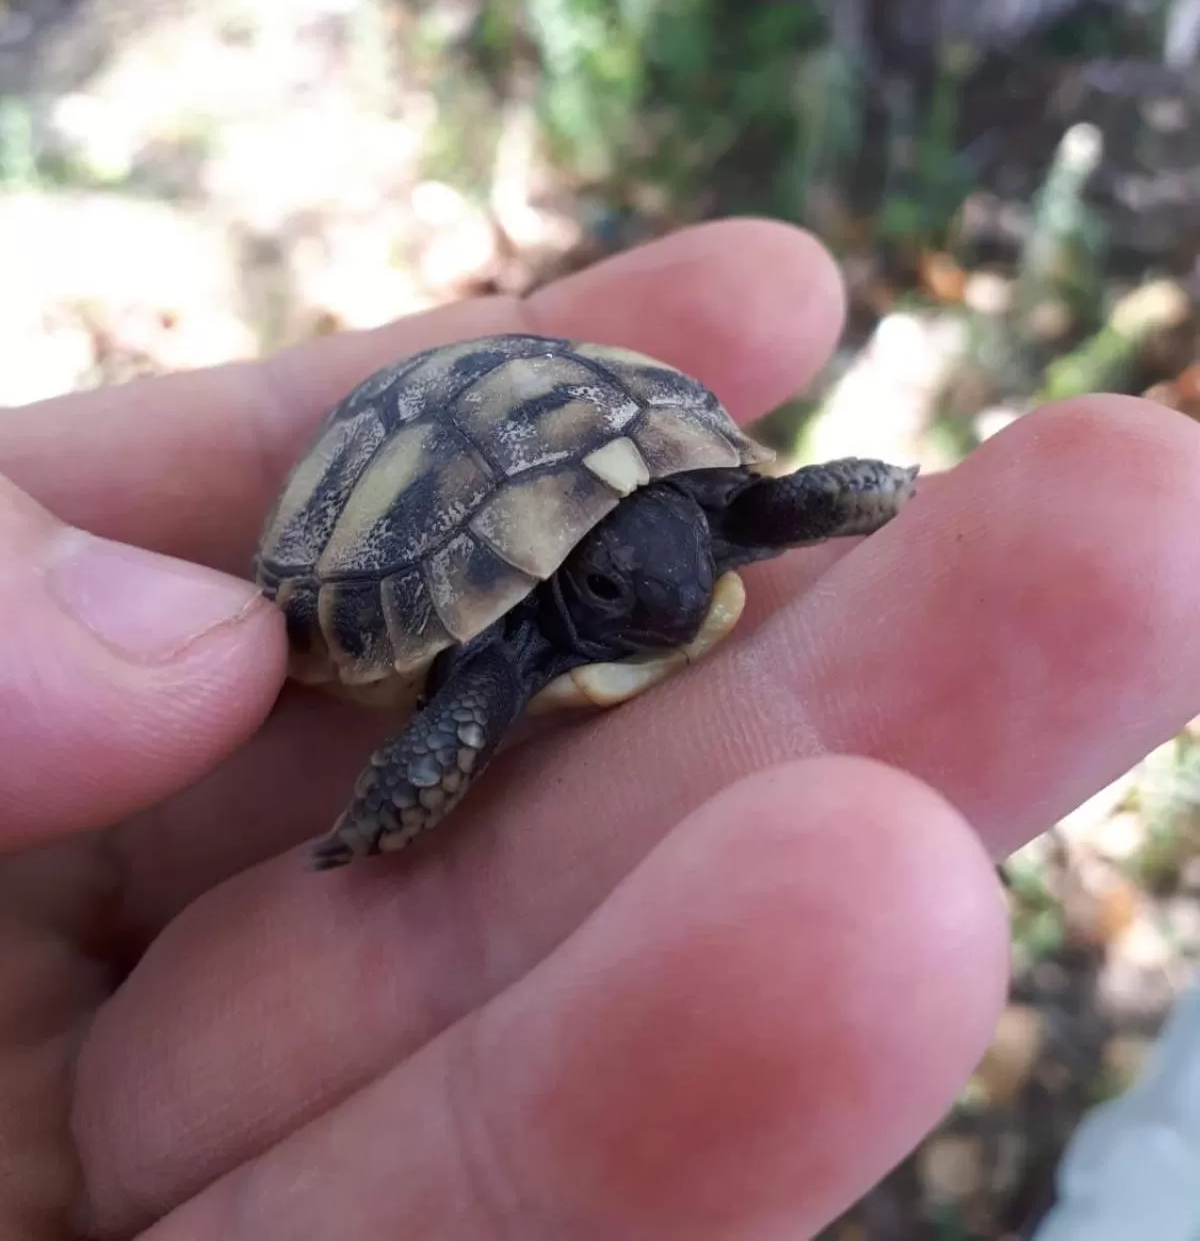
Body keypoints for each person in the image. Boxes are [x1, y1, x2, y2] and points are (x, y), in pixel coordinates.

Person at [0, 217, 1196, 1241]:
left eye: (689, 569)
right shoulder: (506, 636)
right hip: (402, 475)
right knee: (457, 727)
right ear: (580, 595)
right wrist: (392, 808)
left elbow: (790, 501)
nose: (675, 609)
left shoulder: (697, 534)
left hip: (611, 463)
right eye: (623, 603)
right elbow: (453, 714)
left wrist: (892, 501)